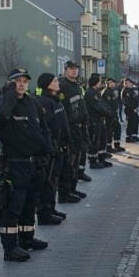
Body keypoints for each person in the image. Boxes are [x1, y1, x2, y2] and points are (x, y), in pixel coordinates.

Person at [0, 68, 51, 261]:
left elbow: (42, 128)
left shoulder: (31, 103)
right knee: (12, 207)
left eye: (25, 80)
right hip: (14, 163)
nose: (22, 84)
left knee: (29, 203)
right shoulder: (5, 103)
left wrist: (46, 151)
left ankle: (27, 238)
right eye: (17, 81)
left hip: (32, 163)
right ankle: (10, 247)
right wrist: (10, 96)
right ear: (10, 83)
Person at [34, 73, 70, 224]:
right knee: (48, 181)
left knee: (54, 179)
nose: (57, 83)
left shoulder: (55, 100)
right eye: (54, 81)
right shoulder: (44, 102)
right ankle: (44, 213)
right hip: (51, 147)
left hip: (59, 146)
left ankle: (51, 207)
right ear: (47, 84)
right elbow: (46, 127)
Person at [57, 61, 91, 193]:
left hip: (80, 129)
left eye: (76, 69)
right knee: (69, 162)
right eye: (71, 69)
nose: (74, 71)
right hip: (70, 128)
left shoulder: (76, 85)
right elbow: (62, 108)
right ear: (65, 70)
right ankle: (65, 191)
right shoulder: (63, 85)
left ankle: (73, 188)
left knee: (76, 160)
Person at [85, 73, 113, 169]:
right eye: (100, 81)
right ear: (95, 83)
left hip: (100, 120)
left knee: (102, 139)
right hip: (93, 120)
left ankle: (101, 158)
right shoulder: (90, 93)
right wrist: (108, 112)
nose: (101, 83)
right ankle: (93, 161)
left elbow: (103, 104)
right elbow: (97, 106)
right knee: (94, 140)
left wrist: (109, 110)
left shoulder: (96, 92)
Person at [102, 76, 125, 153]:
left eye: (114, 82)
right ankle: (108, 146)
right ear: (108, 83)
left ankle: (117, 145)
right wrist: (111, 113)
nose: (114, 84)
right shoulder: (106, 92)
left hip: (114, 114)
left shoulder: (111, 91)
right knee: (109, 131)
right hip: (109, 115)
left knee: (117, 128)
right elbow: (107, 105)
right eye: (112, 82)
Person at [122, 77, 139, 142]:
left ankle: (134, 135)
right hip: (129, 109)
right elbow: (126, 102)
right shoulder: (125, 91)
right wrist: (133, 108)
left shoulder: (132, 90)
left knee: (136, 121)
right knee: (130, 123)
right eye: (127, 83)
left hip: (134, 109)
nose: (129, 84)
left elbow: (135, 99)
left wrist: (136, 107)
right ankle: (128, 137)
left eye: (130, 83)